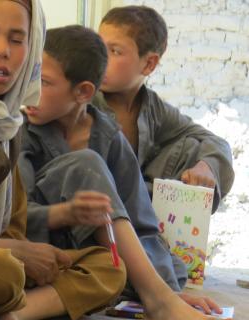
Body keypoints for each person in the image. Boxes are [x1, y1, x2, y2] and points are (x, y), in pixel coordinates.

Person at [20, 25, 233, 320]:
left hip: (96, 261)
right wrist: (63, 213)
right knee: (87, 162)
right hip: (39, 252)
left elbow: (141, 222)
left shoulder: (108, 134)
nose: (30, 90)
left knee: (157, 270)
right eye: (30, 76)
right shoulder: (20, 132)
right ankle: (157, 300)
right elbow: (13, 219)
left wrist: (168, 288)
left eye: (44, 82)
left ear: (83, 93)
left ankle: (157, 295)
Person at [0, 0, 126, 320]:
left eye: (17, 39)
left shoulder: (7, 121)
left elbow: (14, 222)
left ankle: (10, 314)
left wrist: (24, 250)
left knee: (110, 267)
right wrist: (7, 249)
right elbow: (4, 248)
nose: (2, 52)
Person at [93, 5, 235, 214]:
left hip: (136, 215)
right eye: (98, 46)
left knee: (193, 147)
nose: (100, 58)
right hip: (91, 217)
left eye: (115, 51)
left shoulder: (152, 108)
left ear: (149, 64)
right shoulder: (82, 101)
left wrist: (207, 166)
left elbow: (216, 142)